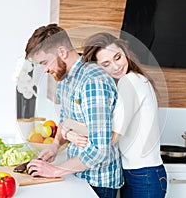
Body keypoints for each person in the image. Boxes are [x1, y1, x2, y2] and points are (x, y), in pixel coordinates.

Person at [24, 24, 123, 198]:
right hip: (78, 176)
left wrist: (55, 171)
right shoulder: (63, 80)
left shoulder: (93, 81)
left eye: (45, 62)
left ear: (62, 52)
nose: (45, 70)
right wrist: (55, 146)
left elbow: (100, 150)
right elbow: (65, 122)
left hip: (98, 183)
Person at [64, 32, 167, 198]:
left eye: (117, 57)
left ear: (125, 52)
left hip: (144, 175)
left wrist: (68, 127)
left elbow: (109, 138)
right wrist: (69, 132)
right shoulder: (131, 81)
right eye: (106, 64)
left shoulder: (130, 82)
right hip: (139, 174)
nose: (116, 66)